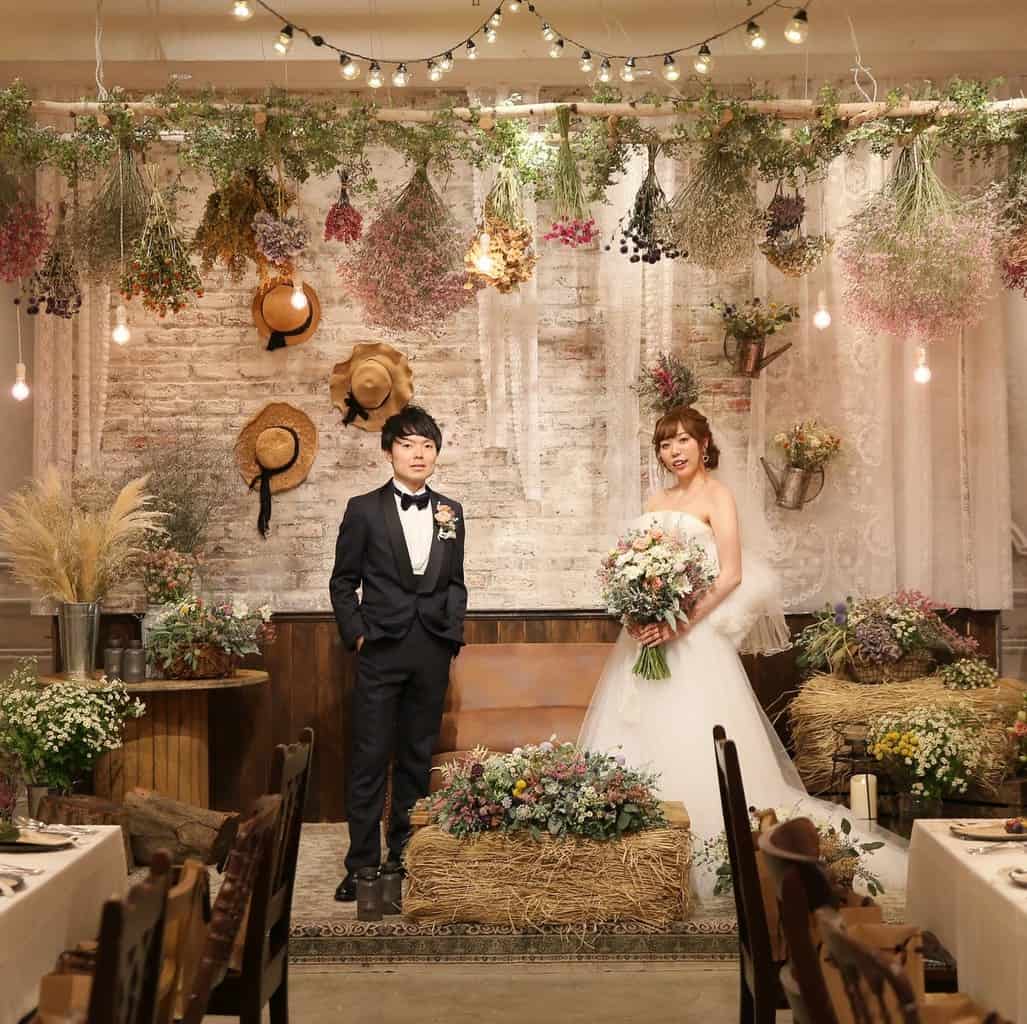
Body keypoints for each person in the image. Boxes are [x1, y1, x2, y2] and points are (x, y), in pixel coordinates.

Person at [578, 405, 906, 896]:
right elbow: (637, 566)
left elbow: (730, 574)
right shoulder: (655, 499)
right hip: (647, 638)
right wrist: (637, 609)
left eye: (683, 440)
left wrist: (679, 622)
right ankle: (637, 861)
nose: (675, 451)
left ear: (704, 444)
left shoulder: (718, 495)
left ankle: (712, 858)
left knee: (694, 735)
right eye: (665, 444)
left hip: (693, 639)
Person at [329, 405, 467, 901]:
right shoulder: (363, 509)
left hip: (431, 649)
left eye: (427, 446)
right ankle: (361, 866)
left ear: (436, 454)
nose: (418, 454)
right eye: (407, 445)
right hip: (380, 648)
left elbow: (456, 582)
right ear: (389, 451)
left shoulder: (451, 511)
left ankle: (404, 859)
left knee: (415, 758)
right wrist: (358, 635)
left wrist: (450, 635)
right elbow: (343, 581)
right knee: (369, 759)